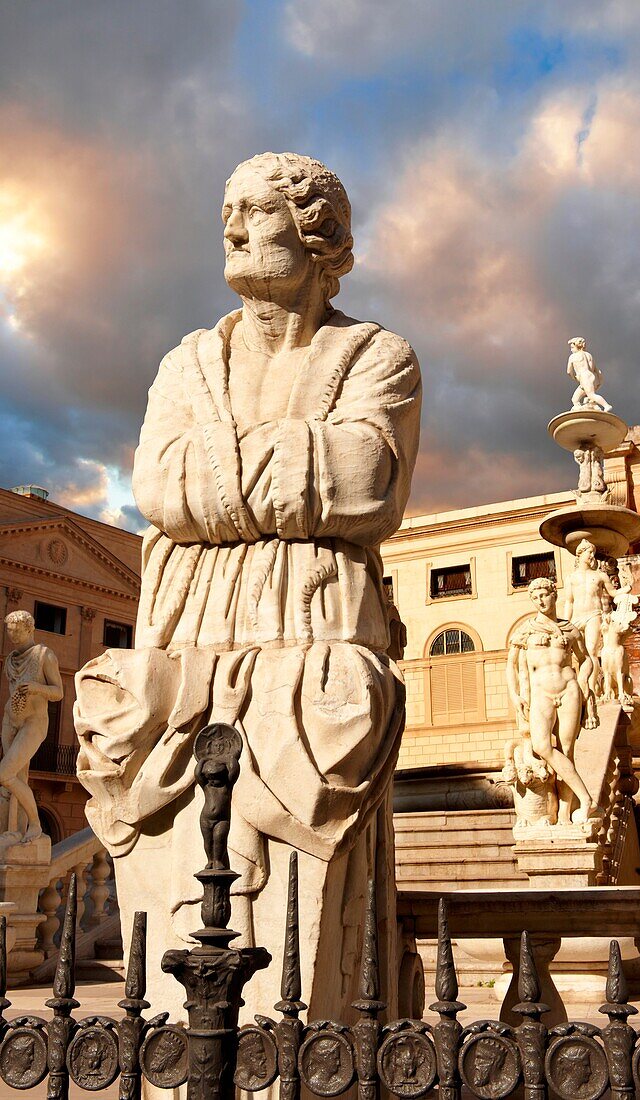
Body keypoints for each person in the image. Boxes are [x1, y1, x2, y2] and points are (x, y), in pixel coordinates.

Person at [74, 152, 421, 1024]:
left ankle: (311, 1046)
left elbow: (366, 481)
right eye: (226, 210)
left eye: (255, 211)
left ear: (318, 232)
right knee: (183, 866)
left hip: (314, 621)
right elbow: (157, 487)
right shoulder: (184, 363)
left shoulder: (378, 356)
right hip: (189, 626)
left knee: (308, 922)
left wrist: (215, 479)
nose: (231, 228)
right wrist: (295, 467)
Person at [506, 577, 598, 824]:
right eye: (535, 597)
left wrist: (584, 683)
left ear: (554, 595)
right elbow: (511, 665)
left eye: (544, 595)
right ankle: (586, 797)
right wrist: (515, 695)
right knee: (542, 747)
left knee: (567, 752)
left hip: (568, 690)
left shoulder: (570, 629)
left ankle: (566, 816)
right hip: (540, 693)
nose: (540, 601)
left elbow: (586, 659)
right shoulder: (525, 630)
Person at [2, 611, 63, 842]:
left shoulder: (44, 655)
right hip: (11, 721)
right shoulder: (10, 659)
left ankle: (35, 824)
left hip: (34, 723)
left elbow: (59, 692)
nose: (12, 634)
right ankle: (13, 831)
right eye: (9, 630)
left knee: (4, 774)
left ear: (30, 629)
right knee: (15, 779)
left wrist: (37, 688)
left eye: (17, 630)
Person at [563, 539, 619, 698]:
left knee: (592, 652)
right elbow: (569, 602)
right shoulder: (571, 578)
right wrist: (565, 624)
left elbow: (613, 593)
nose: (592, 556)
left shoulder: (600, 576)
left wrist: (627, 589)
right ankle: (575, 689)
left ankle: (591, 690)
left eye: (593, 553)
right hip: (576, 617)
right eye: (589, 552)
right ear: (579, 554)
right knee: (571, 654)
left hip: (594, 615)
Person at [566, 337, 612, 412]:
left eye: (572, 347)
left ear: (577, 346)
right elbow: (594, 369)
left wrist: (574, 377)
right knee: (575, 399)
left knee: (591, 395)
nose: (571, 350)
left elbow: (569, 371)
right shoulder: (589, 355)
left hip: (584, 378)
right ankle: (585, 408)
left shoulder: (573, 356)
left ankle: (606, 405)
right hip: (591, 377)